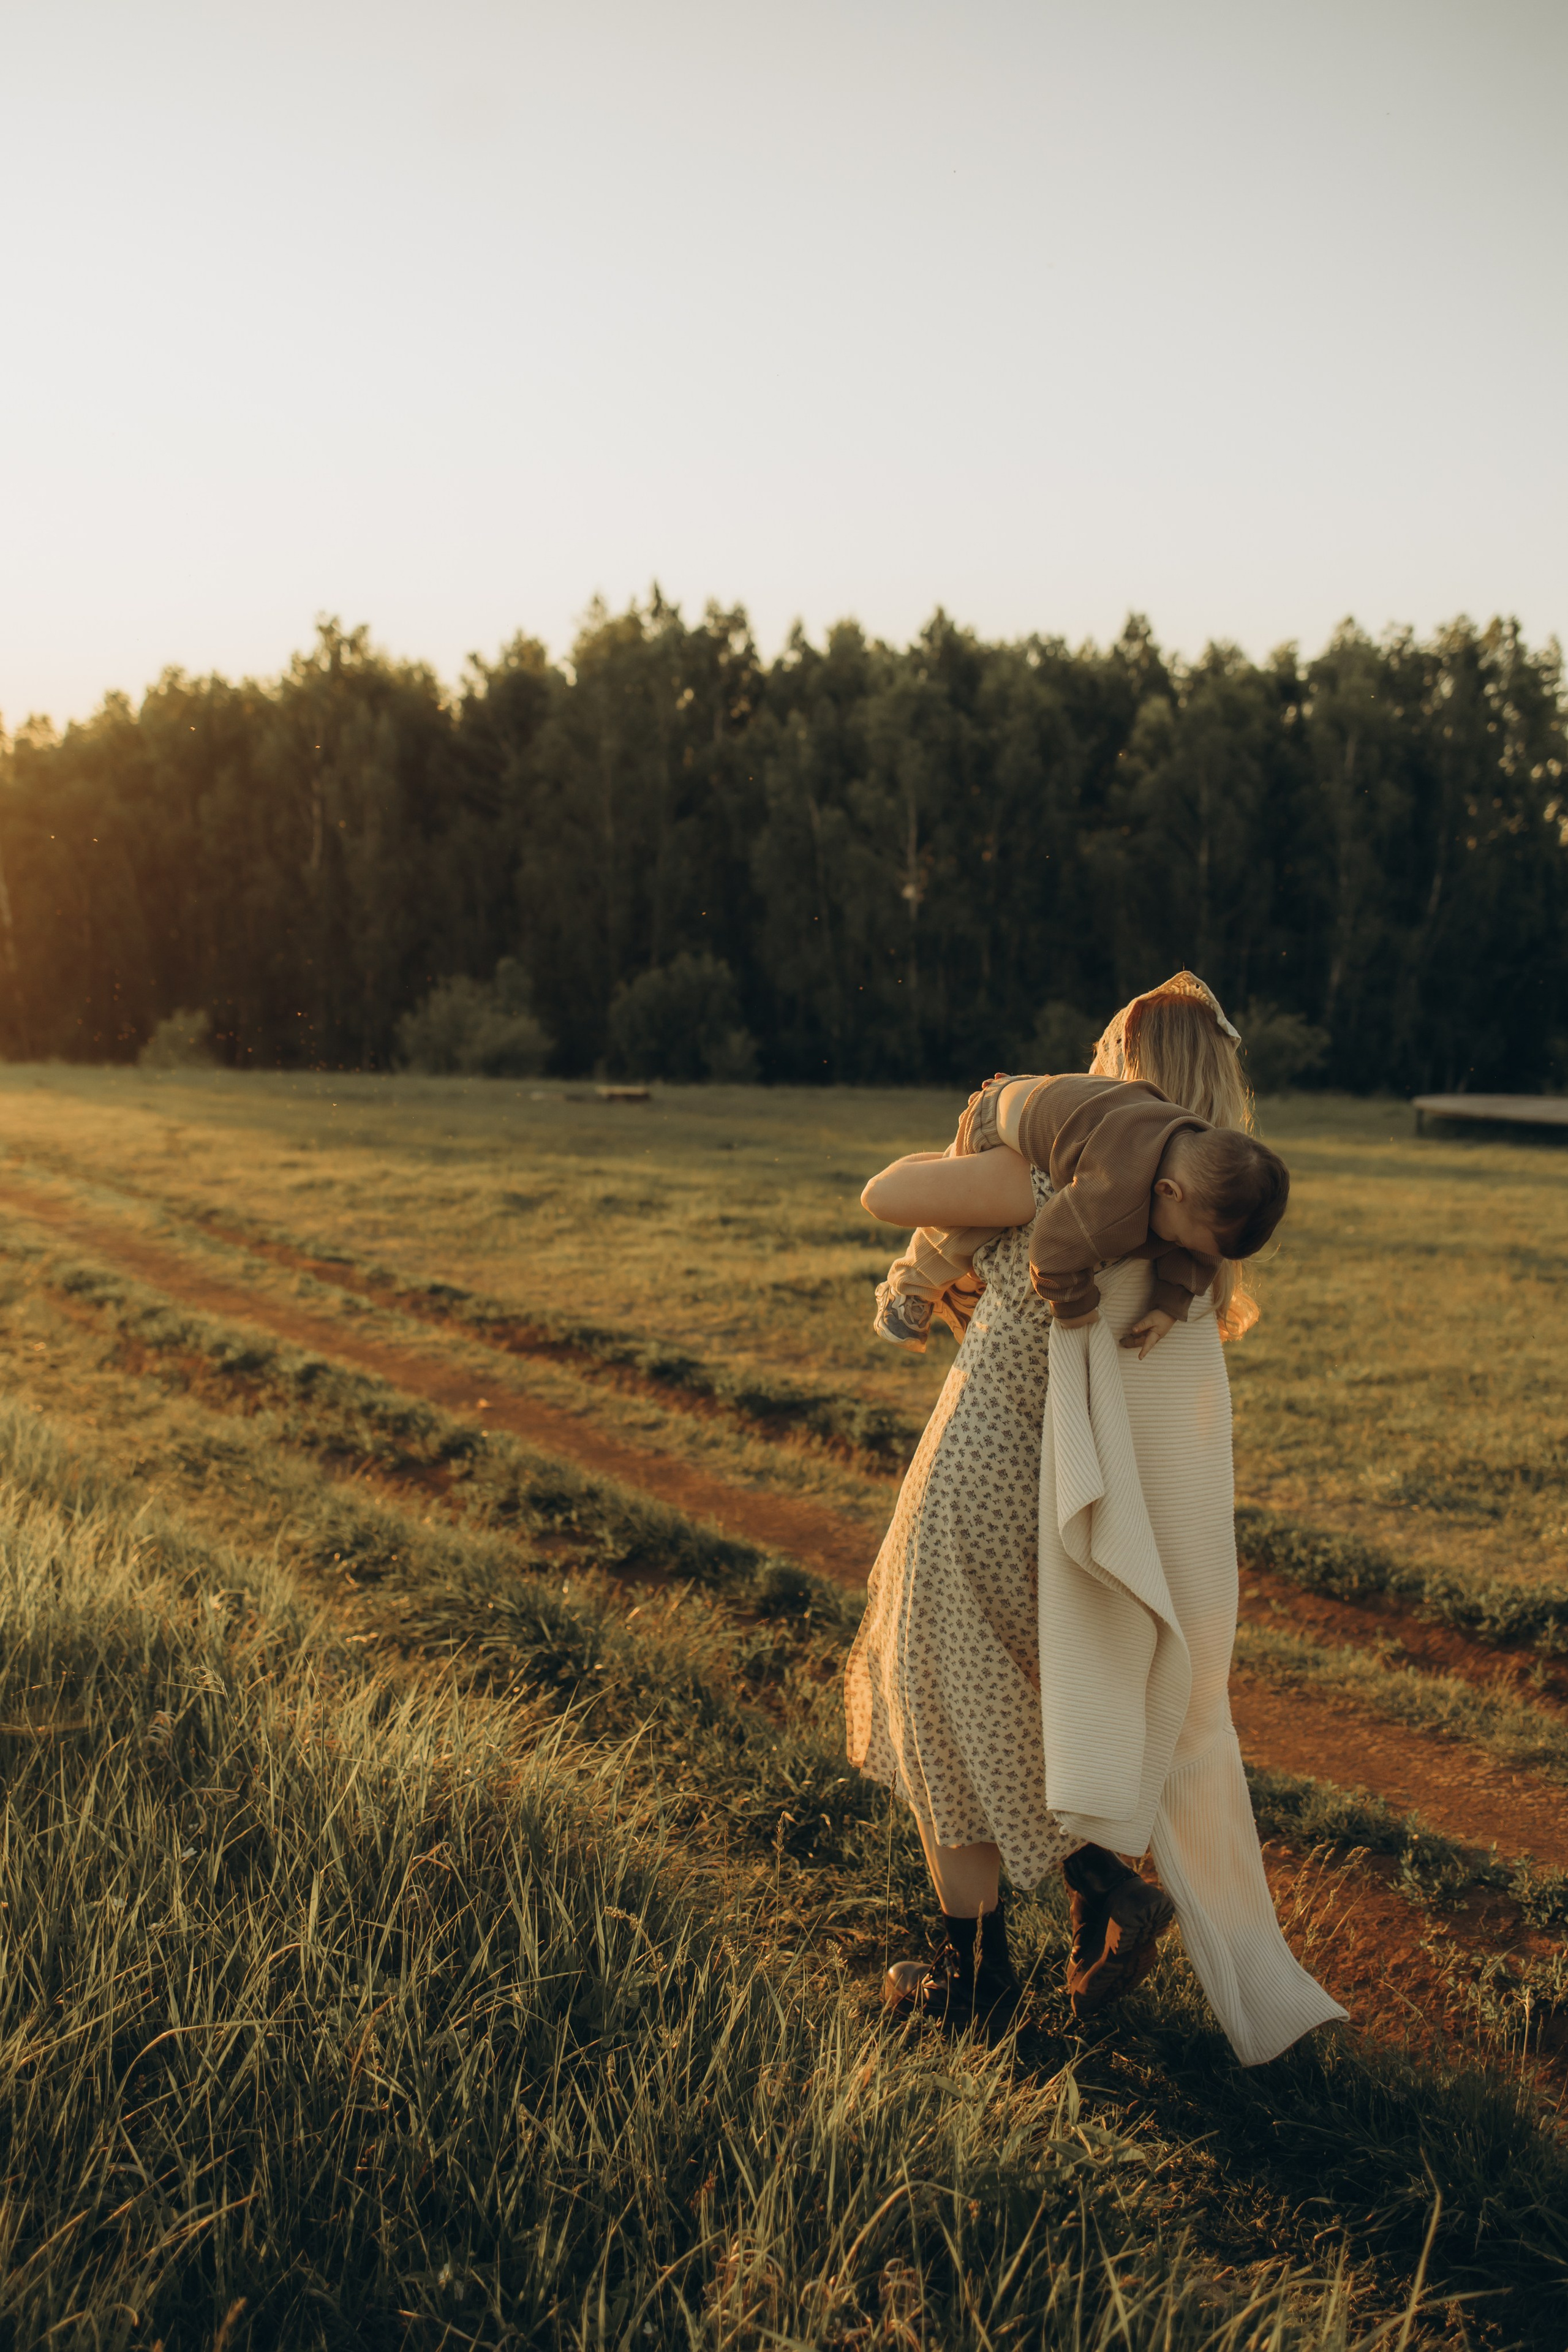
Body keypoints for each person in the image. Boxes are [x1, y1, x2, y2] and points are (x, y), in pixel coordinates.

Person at [843, 978, 1345, 2064]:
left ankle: (978, 1984)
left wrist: (983, 1153)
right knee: (1039, 1714)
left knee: (937, 1713)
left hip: (980, 1478)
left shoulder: (1047, 1178)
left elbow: (886, 1191)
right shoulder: (1199, 1248)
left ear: (1123, 1065)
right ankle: (1097, 1896)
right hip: (1082, 1520)